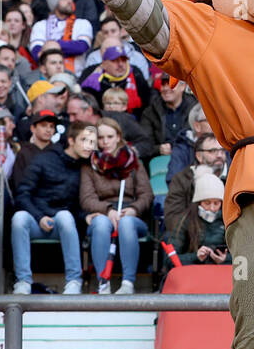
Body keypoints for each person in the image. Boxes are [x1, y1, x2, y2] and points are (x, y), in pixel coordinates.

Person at [10, 121, 96, 295]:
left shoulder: (85, 167)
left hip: (63, 223)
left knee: (64, 215)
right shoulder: (45, 159)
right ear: (71, 141)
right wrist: (39, 216)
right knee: (19, 218)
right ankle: (23, 282)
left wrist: (85, 216)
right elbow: (23, 194)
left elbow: (76, 206)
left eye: (92, 142)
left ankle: (73, 282)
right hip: (36, 219)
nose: (89, 146)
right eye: (84, 140)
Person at [81, 117, 153, 294]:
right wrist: (107, 210)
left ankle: (128, 283)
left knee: (126, 223)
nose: (105, 142)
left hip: (130, 213)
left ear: (118, 137)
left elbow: (146, 194)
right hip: (102, 213)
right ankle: (102, 282)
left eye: (110, 137)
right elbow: (87, 198)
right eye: (100, 138)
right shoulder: (89, 165)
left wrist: (134, 209)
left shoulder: (132, 161)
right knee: (100, 224)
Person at [169, 169, 230, 266]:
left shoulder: (228, 221)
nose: (212, 208)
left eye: (216, 203)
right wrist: (196, 256)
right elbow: (170, 259)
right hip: (193, 274)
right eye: (207, 203)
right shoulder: (185, 220)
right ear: (198, 202)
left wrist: (225, 259)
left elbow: (242, 258)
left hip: (221, 275)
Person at [11, 109, 60, 191]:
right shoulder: (23, 153)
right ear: (33, 128)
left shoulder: (59, 153)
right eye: (43, 125)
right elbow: (19, 184)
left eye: (52, 126)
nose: (48, 130)